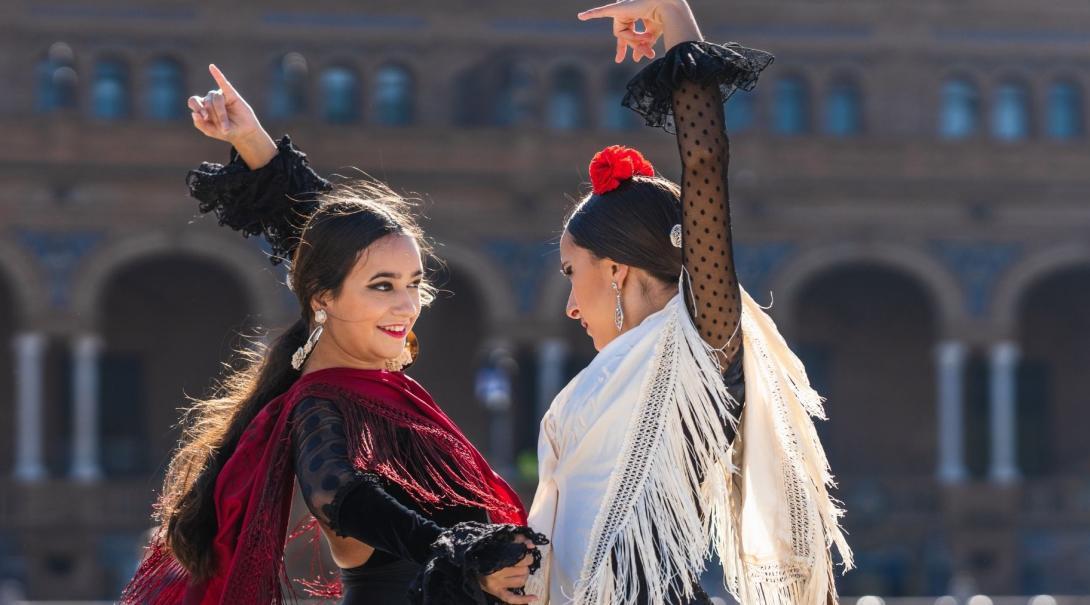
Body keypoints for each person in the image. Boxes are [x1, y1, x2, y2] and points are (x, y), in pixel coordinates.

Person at [121, 66, 546, 604]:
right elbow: (338, 492)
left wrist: (252, 142)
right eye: (383, 286)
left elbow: (325, 237)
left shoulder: (378, 392)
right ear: (323, 298)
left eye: (414, 283)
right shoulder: (321, 403)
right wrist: (459, 551)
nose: (406, 304)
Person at [525, 1, 853, 603]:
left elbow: (703, 163)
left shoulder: (701, 342)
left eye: (573, 273)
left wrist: (672, 14)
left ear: (617, 269)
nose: (570, 304)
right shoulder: (606, 375)